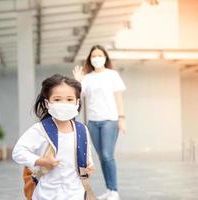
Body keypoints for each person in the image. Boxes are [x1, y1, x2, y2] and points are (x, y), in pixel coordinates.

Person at [12, 74, 94, 200]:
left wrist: (90, 166)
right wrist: (41, 161)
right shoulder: (39, 130)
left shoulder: (82, 129)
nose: (64, 104)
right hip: (46, 194)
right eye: (57, 99)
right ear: (47, 103)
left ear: (77, 102)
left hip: (75, 193)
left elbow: (87, 156)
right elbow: (18, 152)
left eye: (69, 99)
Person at [73, 45, 126, 200]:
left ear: (105, 57)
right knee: (102, 157)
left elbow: (118, 98)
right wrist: (78, 81)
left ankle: (114, 190)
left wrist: (122, 118)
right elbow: (79, 96)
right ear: (90, 59)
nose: (97, 58)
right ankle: (109, 190)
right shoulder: (87, 78)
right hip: (93, 122)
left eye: (100, 55)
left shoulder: (112, 75)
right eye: (94, 56)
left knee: (107, 155)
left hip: (110, 120)